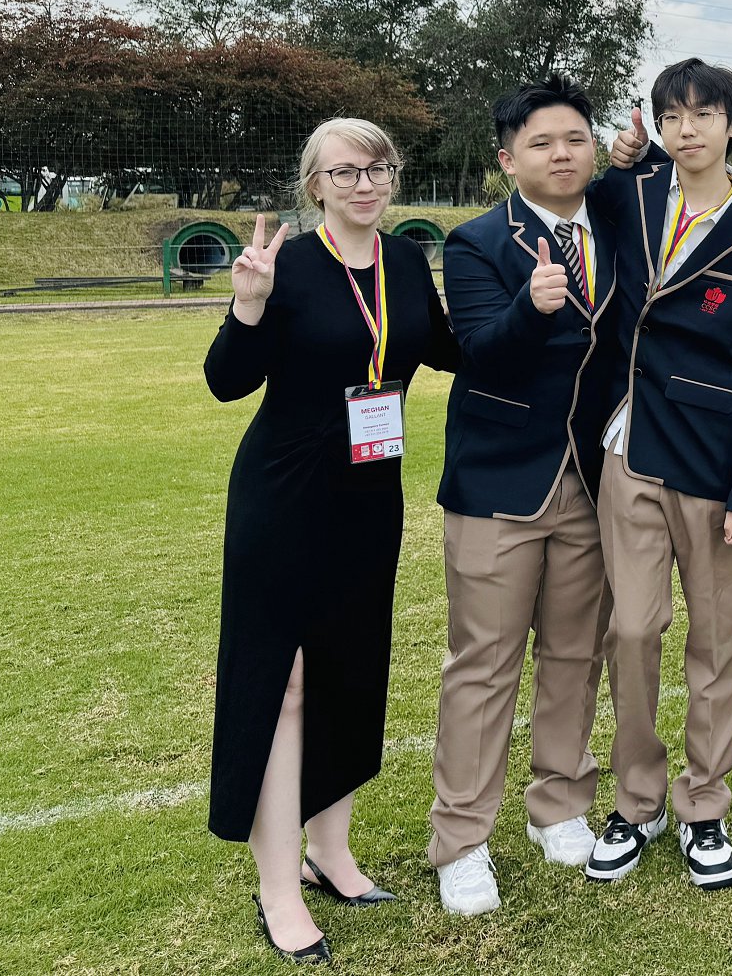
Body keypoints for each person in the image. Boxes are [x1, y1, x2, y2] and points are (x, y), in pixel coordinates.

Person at [203, 118, 458, 963]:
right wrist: (247, 303)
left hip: (368, 494)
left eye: (378, 168)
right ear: (315, 183)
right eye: (345, 170)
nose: (364, 182)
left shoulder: (408, 261)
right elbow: (226, 381)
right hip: (284, 494)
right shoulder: (290, 264)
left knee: (351, 670)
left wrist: (534, 312)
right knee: (284, 684)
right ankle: (277, 885)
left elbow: (453, 347)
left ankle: (330, 851)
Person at [427, 77, 651, 913]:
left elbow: (682, 184)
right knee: (482, 664)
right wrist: (530, 305)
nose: (563, 154)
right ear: (508, 158)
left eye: (577, 139)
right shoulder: (478, 241)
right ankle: (461, 839)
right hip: (499, 481)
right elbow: (482, 350)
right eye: (543, 143)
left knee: (572, 654)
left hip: (595, 479)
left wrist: (645, 150)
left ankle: (560, 804)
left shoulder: (621, 218)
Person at [583, 58, 732, 893]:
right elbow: (582, 201)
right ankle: (638, 801)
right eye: (673, 114)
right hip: (627, 447)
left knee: (715, 642)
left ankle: (705, 805)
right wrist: (622, 158)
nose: (687, 129)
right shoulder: (631, 197)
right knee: (632, 629)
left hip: (712, 458)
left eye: (703, 114)